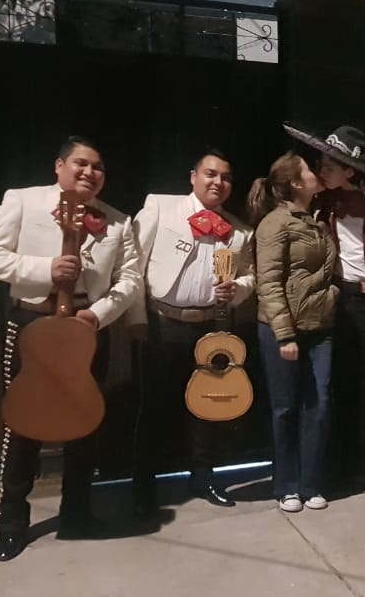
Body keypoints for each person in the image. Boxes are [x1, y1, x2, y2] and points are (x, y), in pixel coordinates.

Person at [0, 135, 142, 561]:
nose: (89, 173)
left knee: (84, 423)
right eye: (81, 164)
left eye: (98, 167)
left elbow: (129, 281)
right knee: (25, 424)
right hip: (34, 322)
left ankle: (78, 513)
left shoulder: (118, 222)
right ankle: (11, 523)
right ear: (59, 166)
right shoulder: (24, 201)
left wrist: (98, 315)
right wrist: (45, 268)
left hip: (86, 329)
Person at [284, 122, 365, 498]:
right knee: (336, 386)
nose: (321, 168)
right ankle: (344, 466)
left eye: (330, 163)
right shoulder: (323, 202)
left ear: (350, 170)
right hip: (334, 301)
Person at [127, 149, 255, 516]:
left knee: (208, 406)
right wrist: (136, 321)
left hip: (212, 327)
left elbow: (250, 276)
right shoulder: (160, 210)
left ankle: (203, 477)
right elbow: (133, 266)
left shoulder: (239, 231)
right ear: (193, 177)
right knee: (154, 407)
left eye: (226, 177)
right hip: (162, 323)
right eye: (211, 174)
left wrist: (238, 291)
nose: (218, 182)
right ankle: (143, 487)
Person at [248, 151, 338, 512]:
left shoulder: (317, 220)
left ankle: (311, 482)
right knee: (285, 407)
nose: (317, 174)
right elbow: (268, 282)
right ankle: (286, 484)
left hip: (320, 327)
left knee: (318, 405)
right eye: (309, 170)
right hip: (281, 329)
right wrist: (285, 335)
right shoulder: (274, 223)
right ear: (297, 183)